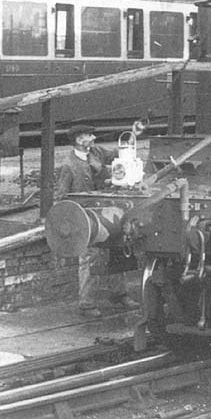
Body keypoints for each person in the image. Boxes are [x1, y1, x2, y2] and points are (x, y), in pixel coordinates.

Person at [55, 124, 139, 317]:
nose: (93, 137)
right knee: (89, 258)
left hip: (108, 211)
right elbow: (62, 196)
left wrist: (132, 137)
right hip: (87, 217)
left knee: (118, 250)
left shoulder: (96, 152)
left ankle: (120, 295)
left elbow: (118, 155)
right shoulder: (68, 165)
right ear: (78, 140)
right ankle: (86, 304)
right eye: (89, 135)